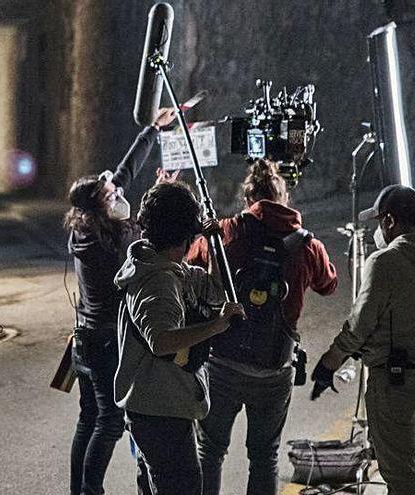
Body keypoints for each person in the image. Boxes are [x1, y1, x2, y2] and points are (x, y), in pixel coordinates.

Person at [185, 159, 338, 495]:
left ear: (248, 199)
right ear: (283, 199)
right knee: (264, 457)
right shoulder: (308, 246)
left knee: (209, 452)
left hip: (221, 361)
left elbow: (189, 262)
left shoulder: (226, 231)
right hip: (274, 366)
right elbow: (329, 284)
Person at [65, 108, 176, 495]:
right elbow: (143, 246)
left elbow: (123, 173)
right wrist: (160, 196)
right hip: (104, 342)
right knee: (110, 422)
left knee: (88, 418)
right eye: (111, 195)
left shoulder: (88, 227)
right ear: (100, 206)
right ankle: (90, 491)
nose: (118, 194)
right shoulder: (105, 245)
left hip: (85, 341)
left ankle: (79, 490)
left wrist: (151, 131)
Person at [114, 182, 245, 495]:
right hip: (160, 414)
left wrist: (213, 243)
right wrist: (217, 326)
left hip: (160, 407)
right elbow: (160, 340)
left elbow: (214, 291)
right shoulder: (158, 282)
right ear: (186, 234)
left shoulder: (168, 268)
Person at [314, 184, 415, 494]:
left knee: (401, 477)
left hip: (398, 387)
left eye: (378, 222)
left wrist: (330, 362)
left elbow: (359, 325)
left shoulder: (385, 261)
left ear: (389, 222)